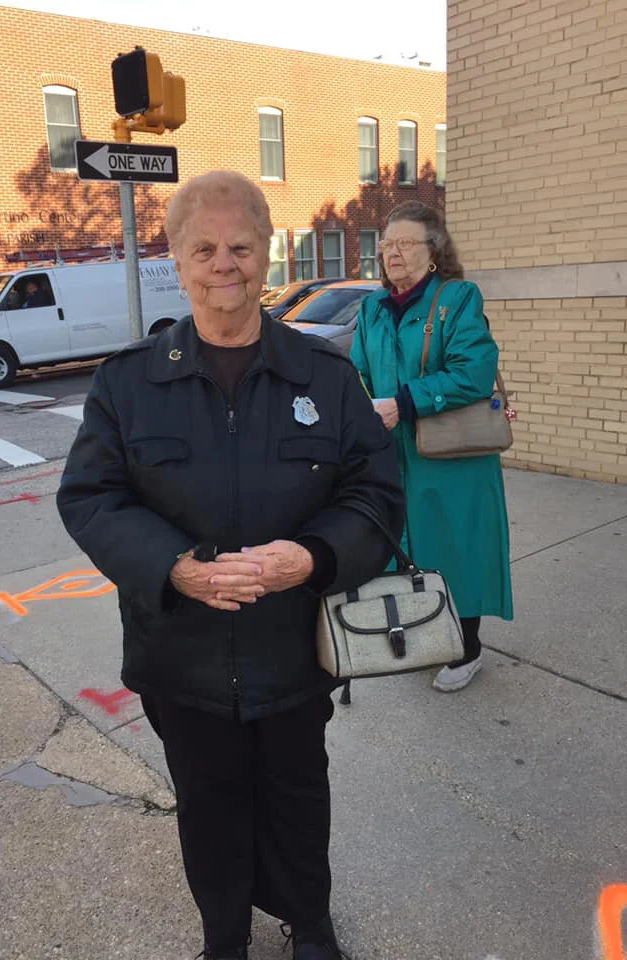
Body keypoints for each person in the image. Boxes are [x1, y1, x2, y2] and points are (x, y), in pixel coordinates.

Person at [57, 171, 404, 960]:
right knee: (207, 806)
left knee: (298, 797)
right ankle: (224, 934)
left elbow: (377, 494)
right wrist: (173, 566)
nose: (224, 264)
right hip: (180, 656)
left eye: (241, 247)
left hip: (295, 648)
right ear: (176, 261)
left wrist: (312, 556)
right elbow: (91, 498)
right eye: (204, 249)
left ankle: (309, 923)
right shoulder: (128, 383)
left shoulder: (324, 376)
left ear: (266, 253)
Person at [350, 200, 513, 693]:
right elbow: (356, 371)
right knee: (403, 549)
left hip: (450, 456)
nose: (392, 252)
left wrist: (404, 402)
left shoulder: (457, 298)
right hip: (390, 451)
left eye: (405, 242)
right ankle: (426, 632)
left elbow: (474, 372)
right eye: (386, 243)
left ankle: (468, 650)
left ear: (434, 250)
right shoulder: (372, 307)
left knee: (456, 550)